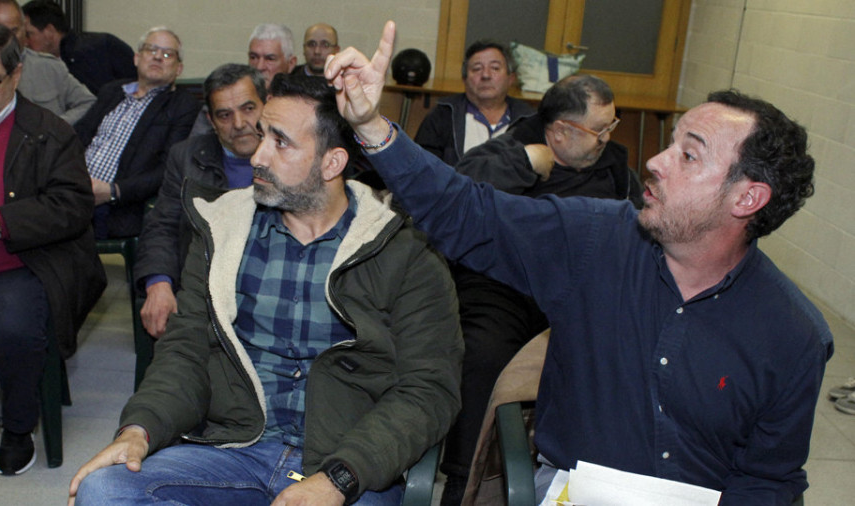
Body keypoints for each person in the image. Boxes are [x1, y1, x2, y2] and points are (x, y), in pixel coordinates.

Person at [326, 22, 834, 505]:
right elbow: (467, 212)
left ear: (747, 198)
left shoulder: (792, 337)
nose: (655, 161)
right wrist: (372, 126)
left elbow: (769, 479)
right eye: (672, 143)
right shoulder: (597, 240)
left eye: (689, 155)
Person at [67, 73, 462, 506]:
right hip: (237, 450)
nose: (258, 155)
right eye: (262, 137)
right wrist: (139, 430)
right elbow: (186, 352)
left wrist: (338, 479)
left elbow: (428, 390)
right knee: (103, 490)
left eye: (281, 142)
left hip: (344, 463)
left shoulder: (403, 249)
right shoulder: (225, 229)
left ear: (331, 163)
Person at [437, 73, 643, 505]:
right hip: (504, 287)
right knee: (483, 353)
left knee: (610, 362)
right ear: (561, 131)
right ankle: (463, 481)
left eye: (611, 126)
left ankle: (586, 482)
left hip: (578, 292)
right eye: (598, 130)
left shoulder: (616, 172)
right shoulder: (513, 147)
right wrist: (524, 164)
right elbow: (455, 194)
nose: (607, 138)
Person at [0, 19, 105, 475]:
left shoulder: (48, 131)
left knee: (15, 330)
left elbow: (73, 205)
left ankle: (19, 427)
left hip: (18, 268)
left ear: (15, 77)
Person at [134, 63, 266, 339]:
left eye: (248, 108)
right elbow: (163, 226)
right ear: (211, 120)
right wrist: (158, 282)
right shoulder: (186, 157)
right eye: (225, 115)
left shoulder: (291, 157)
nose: (239, 124)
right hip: (202, 288)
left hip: (268, 289)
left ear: (267, 105)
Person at [73, 26, 199, 240]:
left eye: (168, 54)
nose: (158, 57)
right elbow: (79, 135)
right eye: (151, 50)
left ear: (179, 69)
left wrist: (113, 191)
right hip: (73, 186)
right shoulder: (112, 91)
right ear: (136, 58)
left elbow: (168, 168)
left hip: (115, 205)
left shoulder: (182, 106)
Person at [414, 40, 534, 167]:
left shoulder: (529, 120)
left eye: (495, 68)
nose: (486, 75)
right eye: (477, 69)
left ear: (511, 78)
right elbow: (421, 168)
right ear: (464, 79)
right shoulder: (442, 116)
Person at [0, 0, 95, 125]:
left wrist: (56, 128)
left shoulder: (49, 67)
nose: (8, 38)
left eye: (14, 31)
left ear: (24, 29)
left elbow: (88, 103)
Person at [21, 0, 136, 95]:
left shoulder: (95, 50)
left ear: (49, 31)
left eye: (28, 34)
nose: (24, 42)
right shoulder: (34, 64)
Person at [248, 23, 297, 88]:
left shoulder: (302, 97)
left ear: (291, 64)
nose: (259, 67)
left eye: (270, 59)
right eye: (253, 58)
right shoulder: (235, 96)